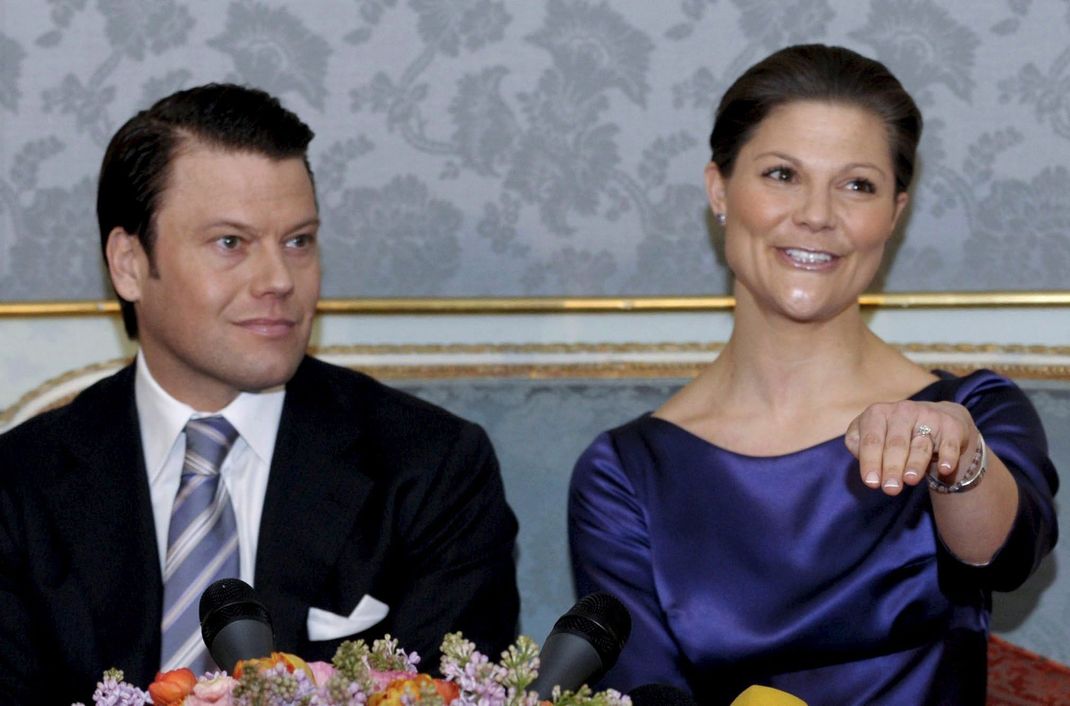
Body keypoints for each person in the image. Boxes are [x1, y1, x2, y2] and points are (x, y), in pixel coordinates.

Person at [568, 44, 1059, 705]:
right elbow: (642, 691)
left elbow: (1005, 555)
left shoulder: (971, 411)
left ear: (895, 212)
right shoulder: (626, 472)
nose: (818, 215)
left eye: (857, 184)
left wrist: (957, 455)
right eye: (781, 174)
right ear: (719, 189)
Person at [0, 83, 520, 705]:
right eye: (231, 244)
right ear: (129, 263)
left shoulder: (431, 467)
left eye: (298, 241)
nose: (278, 280)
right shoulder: (19, 486)